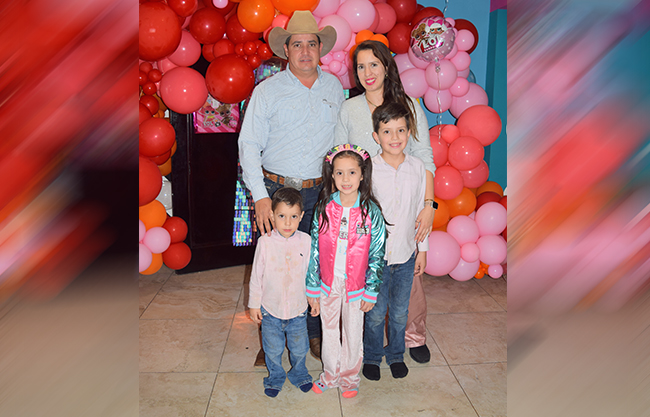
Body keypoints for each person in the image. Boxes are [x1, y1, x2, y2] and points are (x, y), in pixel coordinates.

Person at [239, 10, 345, 364]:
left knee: (314, 265)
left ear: (320, 48)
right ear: (286, 50)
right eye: (297, 44)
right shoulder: (267, 91)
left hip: (320, 192)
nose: (304, 51)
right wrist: (260, 197)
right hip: (276, 192)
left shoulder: (335, 88)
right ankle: (270, 340)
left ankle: (312, 333)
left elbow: (340, 141)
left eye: (311, 44)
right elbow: (248, 144)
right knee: (274, 267)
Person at [333, 40, 436, 364]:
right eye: (361, 66)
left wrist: (429, 205)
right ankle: (365, 341)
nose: (368, 72)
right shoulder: (349, 109)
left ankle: (413, 335)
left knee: (409, 281)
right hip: (365, 214)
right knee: (364, 280)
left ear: (387, 66)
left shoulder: (409, 105)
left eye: (374, 64)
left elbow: (425, 157)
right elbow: (339, 156)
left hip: (405, 209)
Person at [306, 144, 386, 398]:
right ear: (332, 175)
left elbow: (377, 254)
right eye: (339, 173)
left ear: (362, 175)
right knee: (329, 330)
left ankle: (350, 378)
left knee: (352, 332)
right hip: (328, 283)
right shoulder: (324, 208)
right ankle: (330, 375)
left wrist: (371, 290)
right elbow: (314, 249)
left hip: (357, 286)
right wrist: (312, 288)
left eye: (352, 172)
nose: (346, 179)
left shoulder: (371, 212)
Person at [362, 102, 430, 381]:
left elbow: (421, 213)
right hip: (375, 258)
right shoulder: (369, 169)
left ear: (409, 132)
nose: (395, 137)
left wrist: (422, 251)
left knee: (401, 312)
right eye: (387, 131)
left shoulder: (418, 168)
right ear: (376, 136)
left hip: (405, 255)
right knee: (376, 313)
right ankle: (372, 356)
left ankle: (396, 355)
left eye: (401, 130)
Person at [248, 187, 313, 397]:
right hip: (270, 310)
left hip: (298, 309)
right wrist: (254, 304)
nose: (287, 223)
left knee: (300, 347)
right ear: (272, 215)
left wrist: (315, 299)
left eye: (293, 216)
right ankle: (275, 377)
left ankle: (299, 373)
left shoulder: (306, 241)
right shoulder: (265, 242)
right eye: (282, 216)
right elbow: (256, 275)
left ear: (301, 216)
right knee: (273, 349)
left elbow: (312, 273)